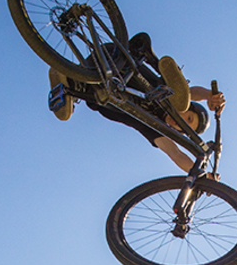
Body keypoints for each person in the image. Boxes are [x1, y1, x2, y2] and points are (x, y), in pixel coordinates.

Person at [46, 31, 226, 173]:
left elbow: (175, 153)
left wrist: (203, 176)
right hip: (116, 61)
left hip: (95, 86)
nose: (179, 122)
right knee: (172, 93)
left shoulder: (155, 128)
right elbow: (189, 94)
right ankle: (145, 56)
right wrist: (209, 95)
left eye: (184, 126)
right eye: (188, 117)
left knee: (95, 101)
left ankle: (67, 85)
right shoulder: (170, 95)